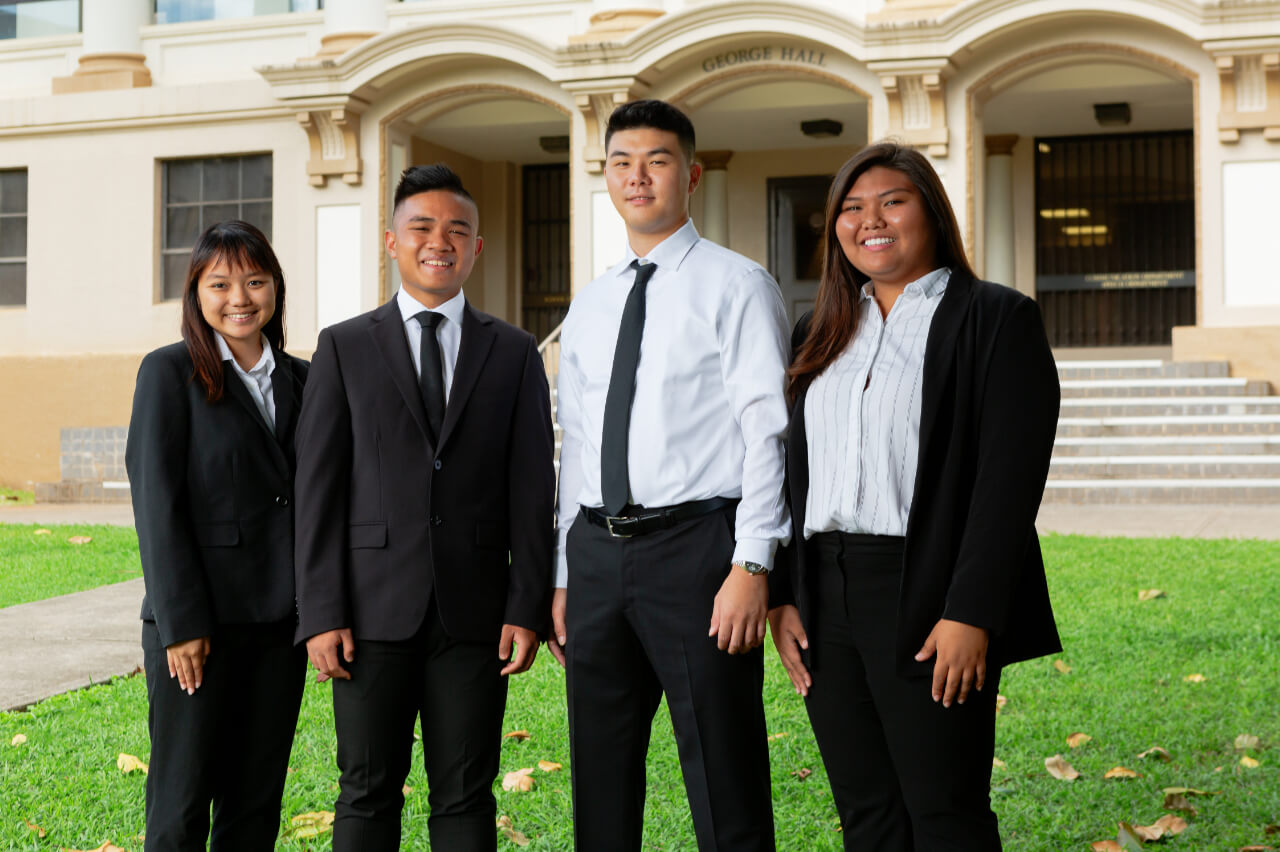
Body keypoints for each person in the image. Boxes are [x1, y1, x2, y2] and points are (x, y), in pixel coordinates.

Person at [767, 141, 1062, 851]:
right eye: (851, 208)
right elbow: (787, 471)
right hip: (824, 595)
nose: (870, 220)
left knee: (944, 811)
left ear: (930, 211)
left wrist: (971, 612)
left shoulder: (996, 319)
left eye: (892, 201)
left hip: (928, 589)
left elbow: (1007, 484)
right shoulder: (819, 330)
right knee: (867, 812)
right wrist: (783, 592)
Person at [549, 99, 791, 852]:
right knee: (600, 773)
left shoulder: (737, 285)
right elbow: (578, 446)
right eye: (621, 162)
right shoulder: (590, 304)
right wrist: (563, 571)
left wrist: (752, 565)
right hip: (594, 557)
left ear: (690, 175)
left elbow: (769, 432)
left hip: (696, 554)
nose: (637, 176)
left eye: (655, 161)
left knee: (724, 771)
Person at [294, 163, 554, 852]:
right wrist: (321, 613)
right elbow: (317, 489)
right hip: (367, 612)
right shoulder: (344, 347)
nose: (439, 242)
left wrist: (525, 606)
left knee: (466, 795)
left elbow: (534, 491)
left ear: (475, 248)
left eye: (457, 231)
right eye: (422, 228)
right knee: (366, 792)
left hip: (474, 616)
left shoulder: (515, 353)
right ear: (391, 241)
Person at [126, 220, 307, 851]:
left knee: (255, 802)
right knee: (181, 801)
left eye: (255, 281)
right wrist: (181, 624)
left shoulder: (304, 380)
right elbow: (157, 505)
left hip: (281, 629)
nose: (239, 298)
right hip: (200, 629)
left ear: (275, 289)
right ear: (196, 293)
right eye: (220, 283)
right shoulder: (168, 375)